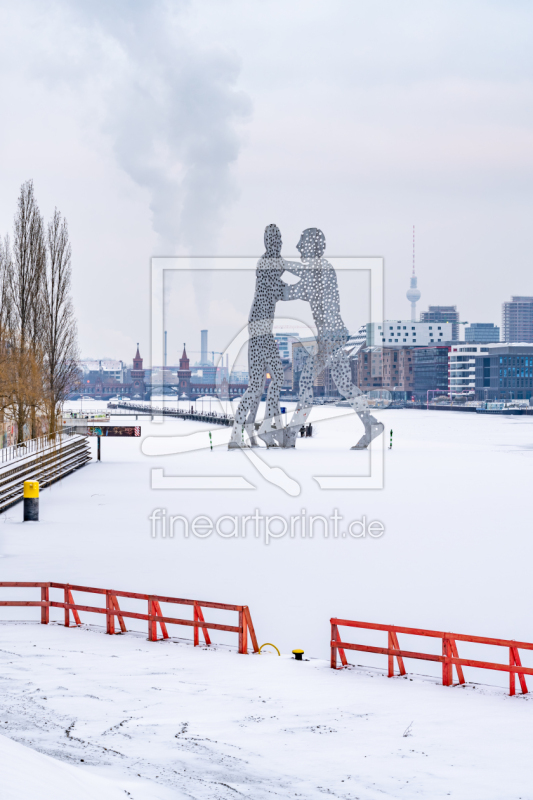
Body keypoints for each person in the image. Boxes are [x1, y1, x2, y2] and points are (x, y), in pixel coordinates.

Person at [281, 228, 385, 449]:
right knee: (345, 386)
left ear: (313, 246)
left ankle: (290, 436)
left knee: (306, 382)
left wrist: (275, 264)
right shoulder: (317, 275)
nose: (299, 247)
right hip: (336, 337)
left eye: (302, 242)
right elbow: (289, 292)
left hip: (329, 339)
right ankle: (371, 424)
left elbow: (294, 280)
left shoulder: (321, 269)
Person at [229, 224, 288, 449]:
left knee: (258, 385)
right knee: (266, 382)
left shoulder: (268, 265)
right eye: (275, 241)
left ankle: (245, 432)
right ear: (268, 243)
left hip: (260, 330)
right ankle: (261, 429)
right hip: (260, 330)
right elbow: (285, 288)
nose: (278, 244)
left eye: (279, 240)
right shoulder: (267, 265)